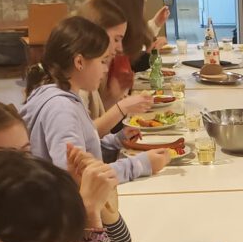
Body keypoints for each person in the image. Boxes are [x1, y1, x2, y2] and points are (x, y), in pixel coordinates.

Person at [0, 99, 132, 242]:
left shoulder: (32, 196)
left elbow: (118, 241)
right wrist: (88, 210)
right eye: (3, 158)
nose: (22, 166)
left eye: (25, 152)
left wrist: (85, 195)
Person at [21, 16, 169, 183]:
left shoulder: (65, 95)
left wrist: (116, 141)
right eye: (103, 61)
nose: (105, 69)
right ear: (79, 62)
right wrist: (140, 165)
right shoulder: (61, 109)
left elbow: (85, 150)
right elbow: (80, 177)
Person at [76, 0, 154, 135]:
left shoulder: (90, 68)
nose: (120, 48)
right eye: (116, 39)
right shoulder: (79, 76)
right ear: (96, 32)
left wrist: (113, 99)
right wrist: (122, 107)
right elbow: (85, 135)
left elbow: (97, 121)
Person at [95, 0, 171, 74]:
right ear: (130, 2)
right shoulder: (110, 34)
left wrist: (156, 24)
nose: (145, 0)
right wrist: (152, 53)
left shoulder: (119, 25)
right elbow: (127, 67)